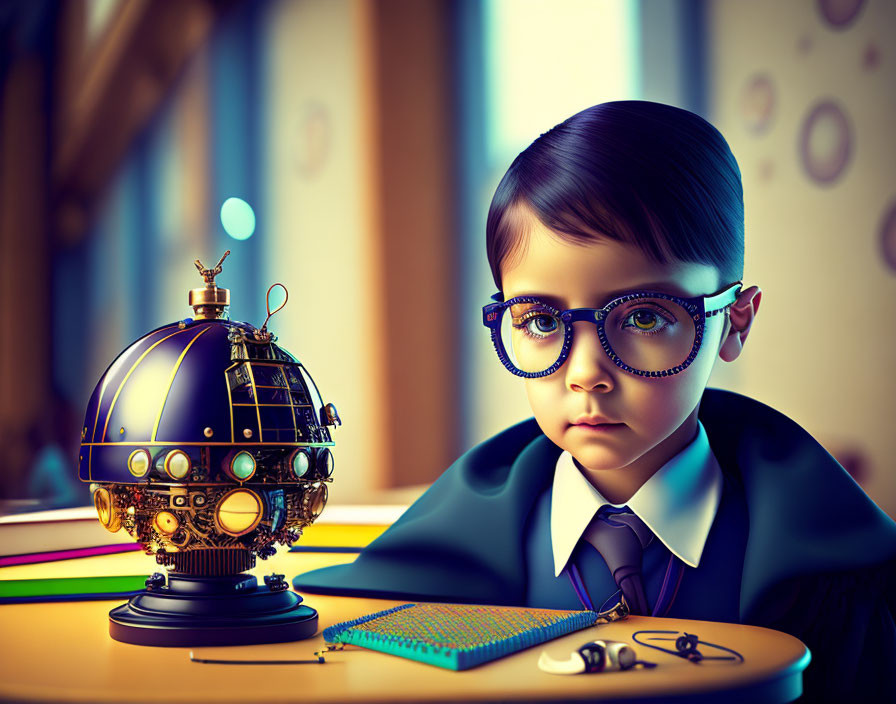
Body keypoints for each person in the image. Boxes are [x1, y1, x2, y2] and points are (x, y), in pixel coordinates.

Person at [294, 101, 896, 701]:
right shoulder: (427, 574)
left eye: (643, 316)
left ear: (735, 321)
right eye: (538, 320)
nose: (586, 374)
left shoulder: (839, 582)